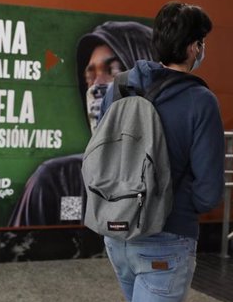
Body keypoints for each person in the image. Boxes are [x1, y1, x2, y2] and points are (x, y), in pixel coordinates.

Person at [101, 1, 224, 302]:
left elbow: (102, 151)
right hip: (166, 241)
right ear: (194, 47)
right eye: (202, 43)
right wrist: (179, 206)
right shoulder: (201, 101)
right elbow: (209, 190)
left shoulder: (121, 86)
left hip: (117, 231)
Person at [9, 21, 154, 227]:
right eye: (90, 76)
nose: (96, 87)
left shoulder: (170, 173)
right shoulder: (61, 182)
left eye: (113, 70)